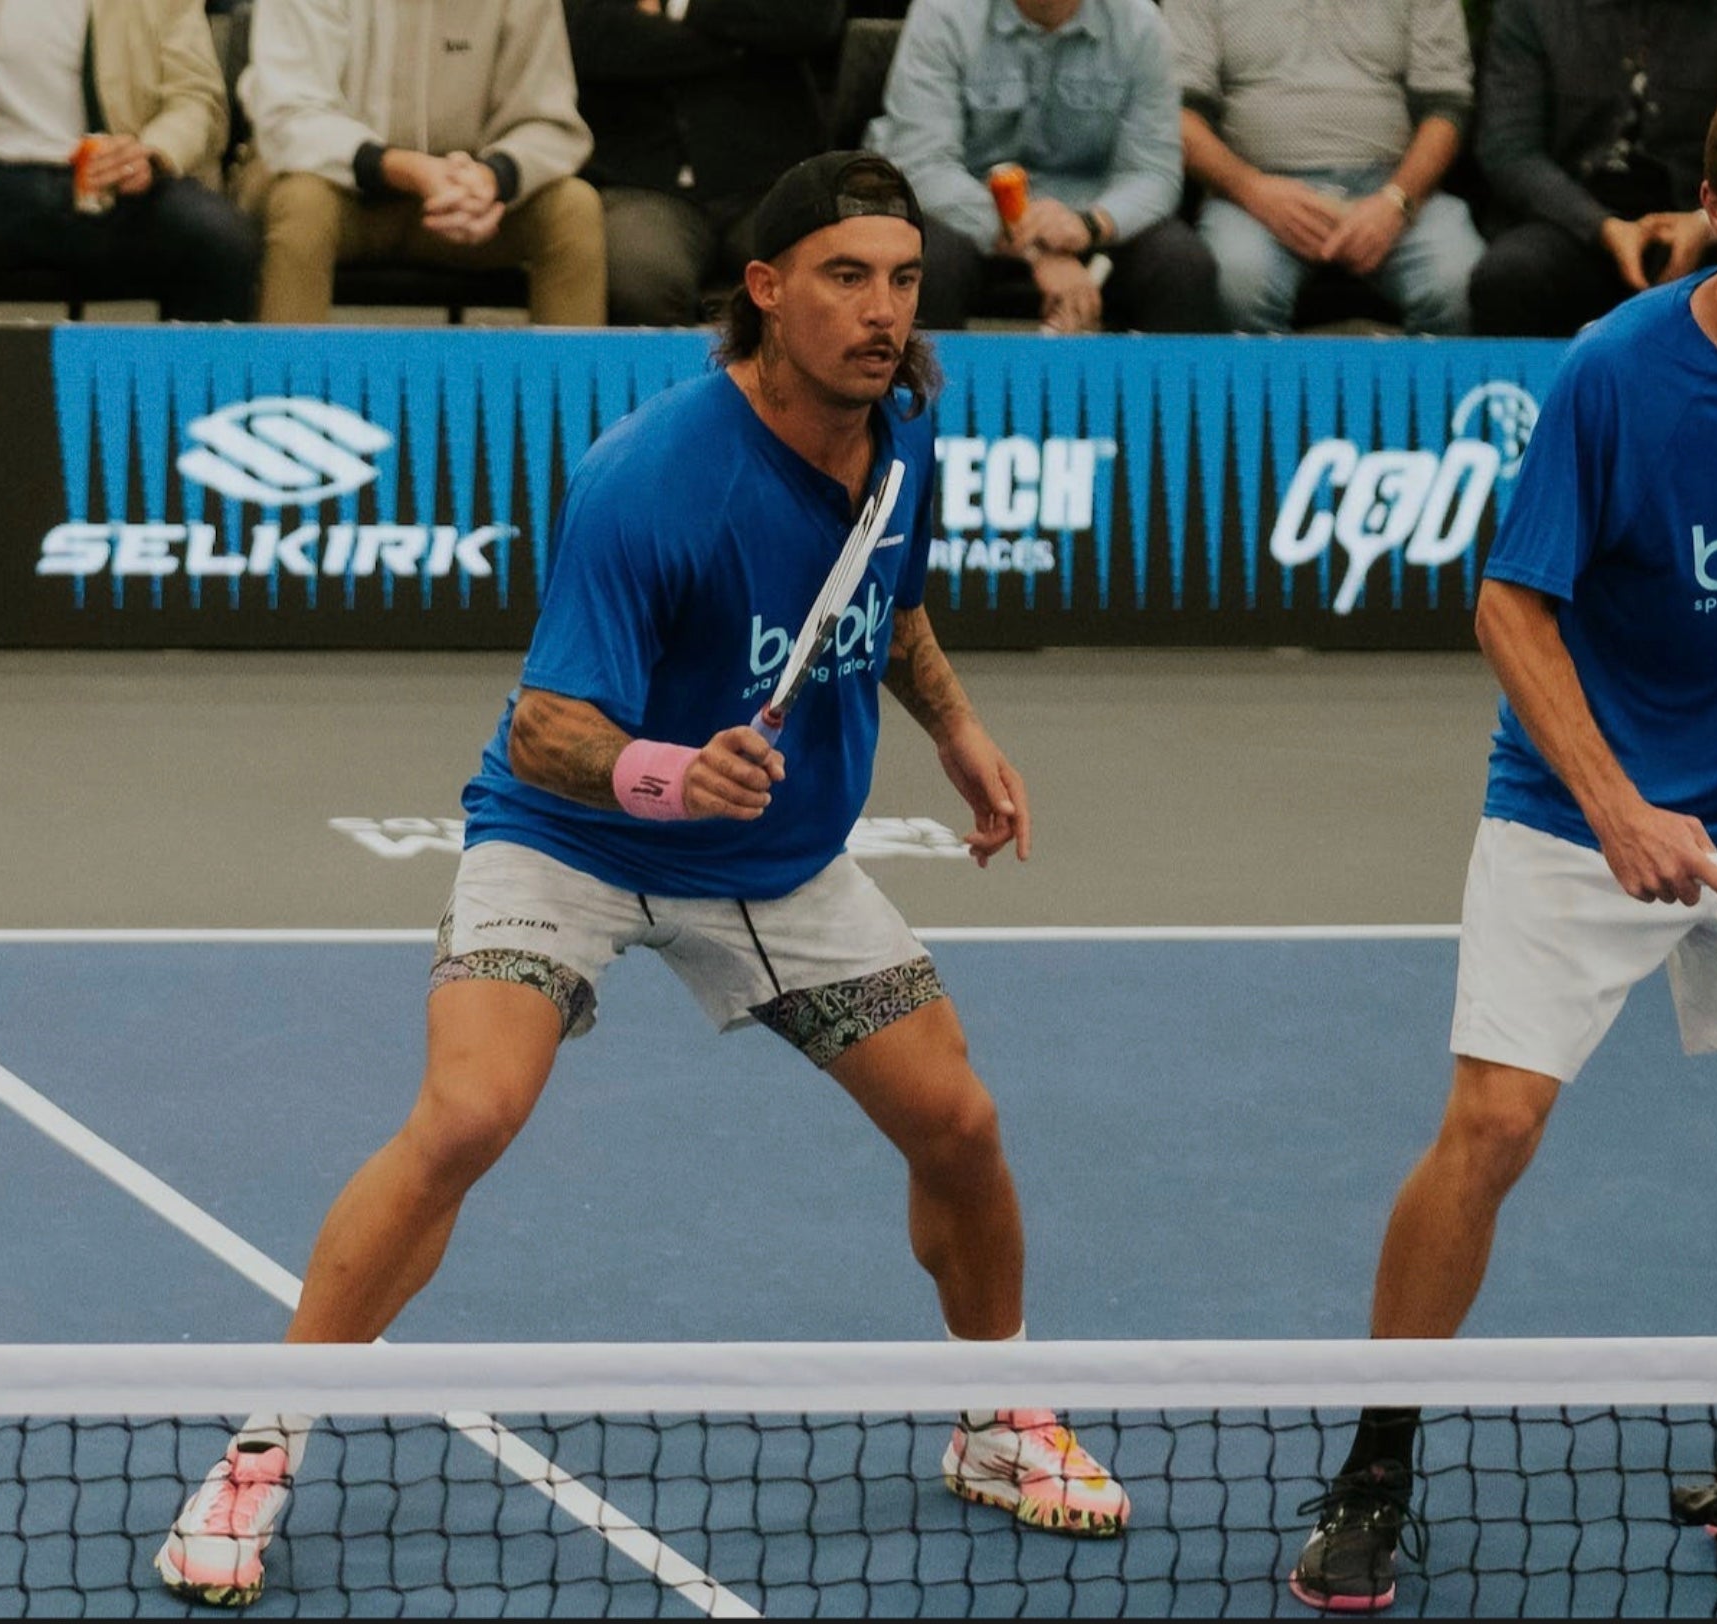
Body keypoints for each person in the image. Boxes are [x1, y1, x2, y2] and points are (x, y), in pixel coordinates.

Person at [153, 151, 1125, 1609]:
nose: (879, 310)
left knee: (961, 1129)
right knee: (467, 1115)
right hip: (578, 841)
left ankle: (996, 1419)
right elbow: (548, 726)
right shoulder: (651, 477)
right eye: (846, 277)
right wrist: (668, 775)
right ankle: (256, 1456)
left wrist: (963, 733)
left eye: (902, 278)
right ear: (765, 289)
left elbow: (892, 603)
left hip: (776, 865)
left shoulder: (903, 425)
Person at [1290, 67, 1717, 1613]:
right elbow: (1506, 604)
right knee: (1493, 1130)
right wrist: (1612, 804)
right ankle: (1372, 1466)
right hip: (1579, 806)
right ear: (1712, 209)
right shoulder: (1617, 373)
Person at [0, 0, 259, 320]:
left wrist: (154, 151)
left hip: (106, 180)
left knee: (219, 242)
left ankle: (197, 427)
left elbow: (196, 95)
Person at [240, 0, 606, 325]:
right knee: (303, 203)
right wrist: (403, 168)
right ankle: (289, 397)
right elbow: (288, 116)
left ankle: (567, 400)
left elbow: (547, 119)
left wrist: (494, 177)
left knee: (573, 209)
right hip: (332, 181)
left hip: (464, 202)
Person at [867, 0, 1217, 334]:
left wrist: (1091, 224)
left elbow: (1154, 172)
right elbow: (922, 164)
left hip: (1091, 221)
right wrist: (1037, 250)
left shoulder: (1141, 23)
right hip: (973, 218)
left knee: (1183, 266)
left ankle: (1153, 397)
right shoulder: (943, 14)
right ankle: (930, 395)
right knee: (921, 261)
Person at [1470, 0, 1717, 337]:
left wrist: (1707, 223)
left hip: (1709, 220)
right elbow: (1509, 149)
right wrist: (1603, 228)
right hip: (1571, 221)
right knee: (1508, 278)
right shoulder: (1531, 9)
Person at [1166, 0, 1483, 334]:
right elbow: (1177, 114)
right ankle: (1274, 389)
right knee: (1236, 284)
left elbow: (1447, 109)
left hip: (1396, 188)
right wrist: (1251, 190)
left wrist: (1396, 201)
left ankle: (1424, 388)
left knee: (1459, 283)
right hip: (1252, 194)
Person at [563, 0, 844, 327]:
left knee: (817, 272)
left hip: (767, 178)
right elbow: (588, 38)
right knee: (641, 283)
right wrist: (739, 48)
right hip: (639, 180)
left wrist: (677, 7)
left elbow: (812, 19)